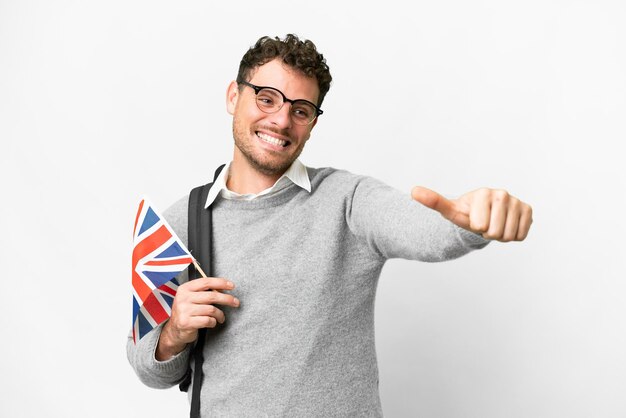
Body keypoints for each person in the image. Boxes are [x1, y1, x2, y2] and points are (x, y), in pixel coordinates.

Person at [127, 34, 533, 417]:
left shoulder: (347, 200)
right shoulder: (179, 222)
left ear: (312, 122)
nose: (282, 120)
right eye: (266, 99)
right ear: (234, 96)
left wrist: (469, 223)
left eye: (300, 110)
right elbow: (148, 366)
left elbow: (421, 228)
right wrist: (175, 333)